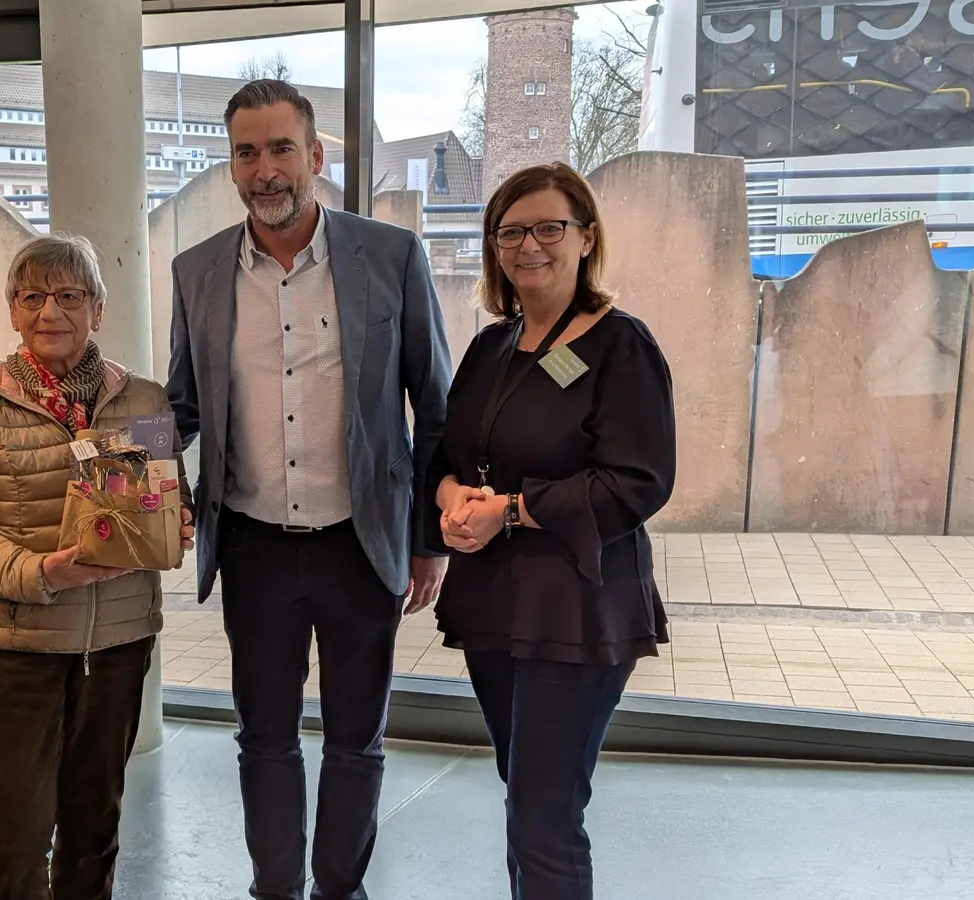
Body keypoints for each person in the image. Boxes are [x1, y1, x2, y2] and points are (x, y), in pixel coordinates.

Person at [165, 79, 452, 900]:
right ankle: (275, 889)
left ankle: (339, 889)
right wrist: (121, 449)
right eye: (247, 152)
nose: (266, 169)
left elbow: (433, 406)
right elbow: (180, 407)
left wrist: (430, 542)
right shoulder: (197, 272)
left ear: (316, 155)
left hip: (362, 543)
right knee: (264, 739)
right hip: (252, 547)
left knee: (357, 739)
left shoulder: (390, 258)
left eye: (281, 147)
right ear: (231, 166)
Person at [430, 162, 676, 900]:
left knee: (544, 815)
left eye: (548, 228)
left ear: (585, 237)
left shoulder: (620, 346)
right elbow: (447, 455)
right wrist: (449, 498)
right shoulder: (492, 347)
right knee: (526, 794)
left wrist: (508, 510)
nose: (527, 245)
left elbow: (639, 482)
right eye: (510, 231)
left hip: (575, 609)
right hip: (495, 607)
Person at [0, 233, 194, 900]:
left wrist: (176, 525)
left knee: (93, 828)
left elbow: (167, 499)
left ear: (97, 309)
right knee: (15, 843)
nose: (52, 311)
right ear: (13, 311)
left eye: (70, 296)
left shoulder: (143, 400)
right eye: (34, 296)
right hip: (20, 650)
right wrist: (42, 571)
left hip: (118, 648)